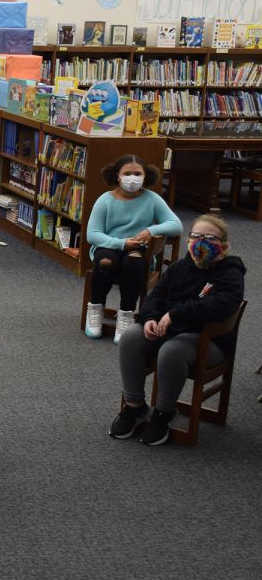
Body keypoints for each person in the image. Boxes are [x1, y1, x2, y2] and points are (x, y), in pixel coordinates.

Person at [109, 214, 245, 446]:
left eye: (209, 237)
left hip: (208, 339)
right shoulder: (179, 268)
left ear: (223, 245)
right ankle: (135, 407)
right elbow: (156, 296)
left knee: (172, 351)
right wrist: (150, 318)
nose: (201, 241)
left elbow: (220, 306)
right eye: (196, 236)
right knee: (131, 336)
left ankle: (164, 413)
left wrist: (175, 314)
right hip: (169, 331)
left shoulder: (230, 273)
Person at [85, 154, 182, 343]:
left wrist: (150, 230)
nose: (132, 178)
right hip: (108, 245)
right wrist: (121, 243)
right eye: (127, 173)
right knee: (105, 263)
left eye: (137, 173)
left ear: (146, 176)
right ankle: (96, 308)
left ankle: (126, 314)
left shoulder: (152, 199)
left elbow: (176, 225)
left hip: (137, 250)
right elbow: (93, 234)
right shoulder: (105, 200)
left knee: (134, 264)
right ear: (117, 175)